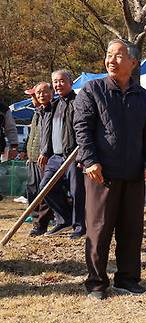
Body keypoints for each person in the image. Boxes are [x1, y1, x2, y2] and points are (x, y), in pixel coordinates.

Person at [74, 39, 146, 299]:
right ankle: (97, 283)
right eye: (109, 55)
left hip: (134, 172)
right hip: (101, 174)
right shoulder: (92, 90)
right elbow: (82, 129)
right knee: (99, 229)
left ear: (133, 63)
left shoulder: (143, 96)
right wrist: (90, 160)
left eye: (118, 56)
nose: (111, 60)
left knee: (131, 229)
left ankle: (128, 279)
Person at [35, 70, 86, 239]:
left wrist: (82, 155)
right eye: (55, 82)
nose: (58, 85)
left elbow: (84, 129)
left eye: (62, 81)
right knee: (45, 187)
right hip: (56, 157)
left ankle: (80, 226)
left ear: (70, 82)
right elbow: (47, 131)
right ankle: (65, 219)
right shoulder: (55, 105)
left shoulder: (79, 101)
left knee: (76, 191)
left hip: (73, 155)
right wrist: (45, 151)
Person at [22, 83, 54, 226]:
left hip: (44, 158)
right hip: (32, 157)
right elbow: (32, 135)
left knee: (44, 189)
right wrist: (24, 150)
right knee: (32, 187)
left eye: (33, 95)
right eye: (33, 96)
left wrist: (45, 153)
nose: (33, 98)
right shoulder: (36, 113)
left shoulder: (50, 111)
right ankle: (34, 215)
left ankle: (44, 219)